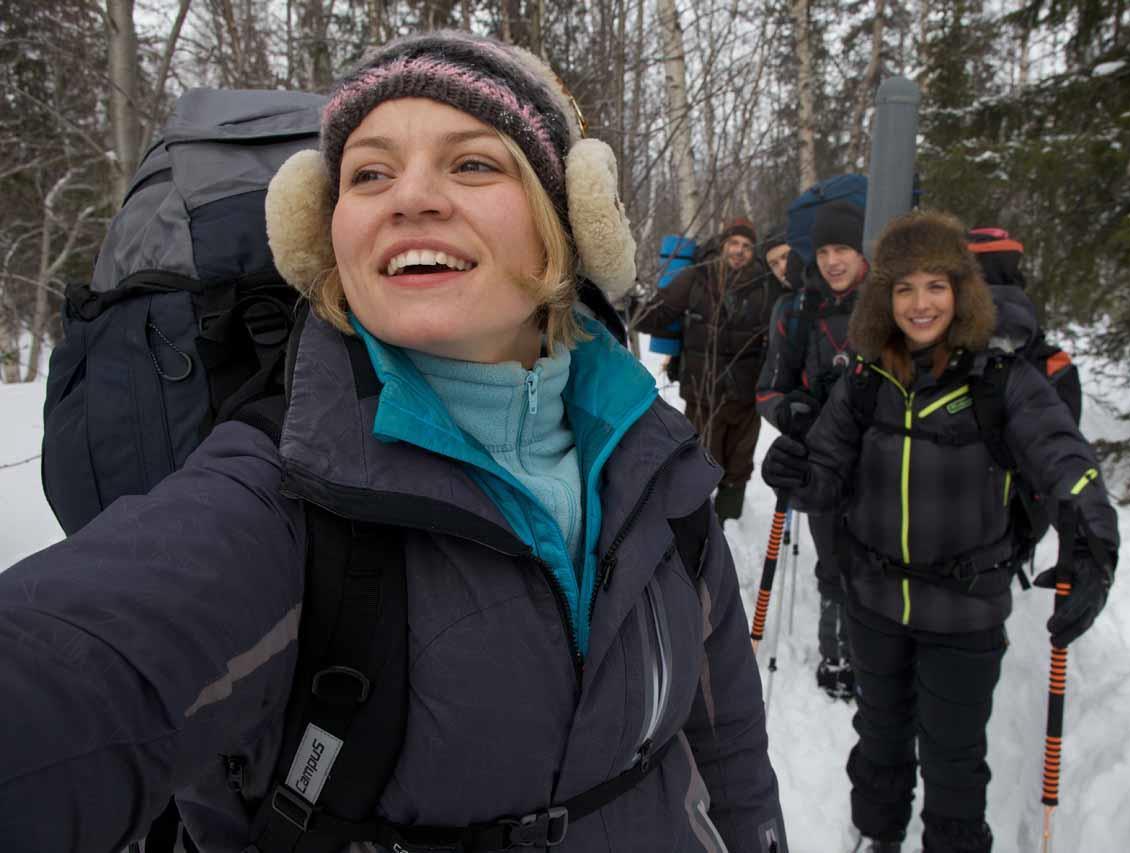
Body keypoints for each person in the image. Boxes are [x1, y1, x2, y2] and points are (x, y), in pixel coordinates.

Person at [0, 32, 788, 853]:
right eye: (369, 174)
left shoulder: (654, 461)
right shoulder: (279, 494)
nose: (408, 198)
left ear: (565, 221)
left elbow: (725, 735)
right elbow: (78, 662)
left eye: (472, 163)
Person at [761, 210, 1119, 853]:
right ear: (885, 298)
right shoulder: (865, 379)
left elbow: (1066, 458)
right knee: (879, 741)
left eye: (935, 286)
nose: (920, 304)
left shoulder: (1002, 380)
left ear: (962, 292)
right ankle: (877, 837)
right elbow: (825, 474)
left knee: (954, 760)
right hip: (875, 604)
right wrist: (794, 470)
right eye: (904, 288)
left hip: (964, 612)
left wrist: (1093, 540)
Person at [755, 199, 868, 699]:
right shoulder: (795, 310)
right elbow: (767, 390)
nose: (833, 261)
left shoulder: (891, 303)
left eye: (843, 248)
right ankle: (836, 654)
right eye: (823, 251)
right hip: (821, 461)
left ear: (862, 250)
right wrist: (789, 413)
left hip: (885, 458)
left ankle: (880, 658)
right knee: (834, 562)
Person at [636, 217, 779, 524]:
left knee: (739, 467)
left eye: (746, 246)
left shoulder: (765, 286)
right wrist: (630, 306)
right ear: (723, 244)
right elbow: (660, 313)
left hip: (746, 399)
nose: (739, 251)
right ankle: (694, 525)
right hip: (703, 396)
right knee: (697, 464)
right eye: (734, 243)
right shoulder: (697, 277)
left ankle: (729, 524)